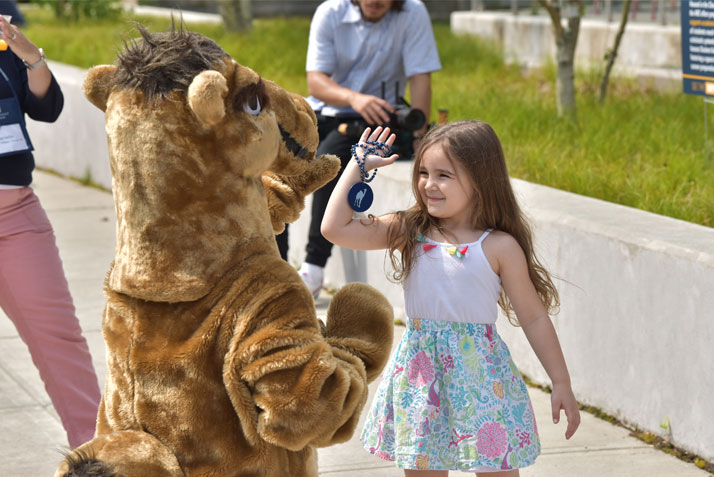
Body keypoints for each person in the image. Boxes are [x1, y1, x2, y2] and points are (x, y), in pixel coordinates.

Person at [321, 122, 581, 475]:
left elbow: (534, 317)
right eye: (424, 172)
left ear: (480, 179)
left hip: (483, 380)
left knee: (496, 467)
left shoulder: (498, 246)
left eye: (444, 174)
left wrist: (560, 381)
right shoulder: (409, 230)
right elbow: (334, 228)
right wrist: (358, 165)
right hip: (421, 377)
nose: (428, 184)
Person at [276, 0, 441, 298]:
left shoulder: (413, 12)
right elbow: (316, 82)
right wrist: (354, 98)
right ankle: (277, 268)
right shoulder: (330, 12)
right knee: (275, 163)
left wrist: (420, 137)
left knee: (331, 160)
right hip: (326, 112)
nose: (375, 2)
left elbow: (420, 79)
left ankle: (313, 269)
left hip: (377, 121)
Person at [0, 16, 100, 447]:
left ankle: (100, 451)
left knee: (59, 335)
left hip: (17, 214)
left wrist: (31, 57)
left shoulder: (6, 50)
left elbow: (47, 106)